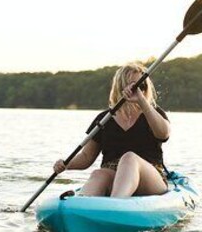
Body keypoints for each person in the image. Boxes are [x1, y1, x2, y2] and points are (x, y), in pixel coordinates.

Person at [53, 62, 170, 197]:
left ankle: (115, 204)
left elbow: (163, 134)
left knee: (129, 158)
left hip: (150, 178)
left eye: (142, 85)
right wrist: (65, 164)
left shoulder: (153, 112)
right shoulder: (104, 119)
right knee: (99, 173)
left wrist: (142, 101)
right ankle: (80, 206)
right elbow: (86, 157)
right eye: (134, 86)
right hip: (112, 175)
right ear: (121, 86)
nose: (138, 90)